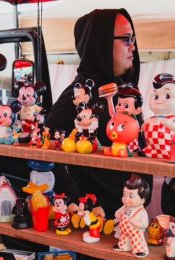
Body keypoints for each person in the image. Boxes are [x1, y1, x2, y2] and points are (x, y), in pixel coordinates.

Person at [46, 8, 146, 216]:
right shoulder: (77, 97)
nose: (133, 47)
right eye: (126, 39)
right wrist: (78, 203)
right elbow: (47, 154)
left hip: (129, 216)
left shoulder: (125, 92)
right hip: (94, 221)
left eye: (134, 38)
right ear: (100, 43)